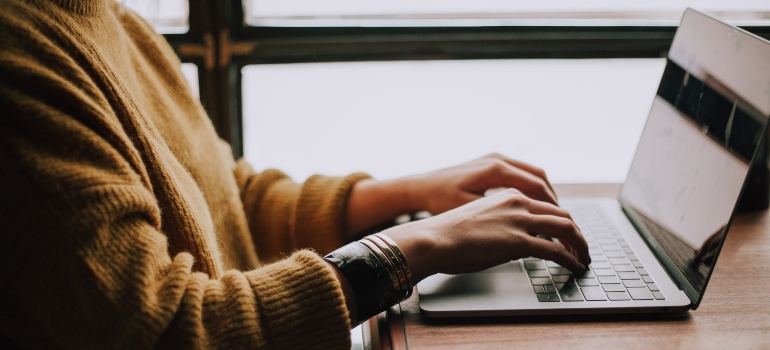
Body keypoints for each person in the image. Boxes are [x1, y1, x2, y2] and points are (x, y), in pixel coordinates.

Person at [0, 0, 589, 349]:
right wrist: (411, 248)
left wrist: (411, 194)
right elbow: (171, 331)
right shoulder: (20, 62)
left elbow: (229, 201)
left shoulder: (111, 20)